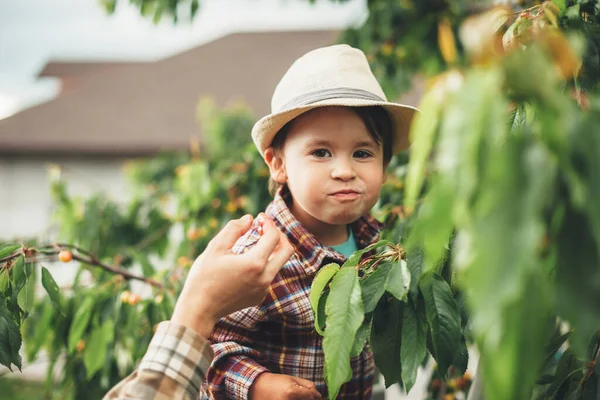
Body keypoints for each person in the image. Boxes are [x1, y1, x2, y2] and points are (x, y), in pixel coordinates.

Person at [202, 44, 417, 399]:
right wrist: (258, 385)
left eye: (362, 153)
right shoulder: (259, 256)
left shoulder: (382, 247)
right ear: (279, 164)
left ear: (384, 164)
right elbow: (207, 345)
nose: (345, 171)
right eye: (321, 152)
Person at [103, 213, 313, 400]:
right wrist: (198, 306)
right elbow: (216, 353)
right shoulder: (254, 252)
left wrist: (196, 308)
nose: (344, 172)